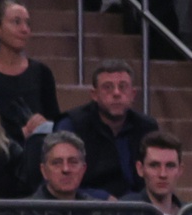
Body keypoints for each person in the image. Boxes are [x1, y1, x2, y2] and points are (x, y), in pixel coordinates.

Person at [57, 61, 158, 198]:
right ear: (94, 95)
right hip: (85, 205)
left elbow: (157, 174)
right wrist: (101, 198)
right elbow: (58, 178)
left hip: (138, 207)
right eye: (108, 87)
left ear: (133, 94)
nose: (116, 93)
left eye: (123, 87)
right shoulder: (72, 125)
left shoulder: (147, 127)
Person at [0, 0, 59, 141]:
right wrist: (19, 134)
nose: (24, 29)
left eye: (27, 23)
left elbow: (57, 123)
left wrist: (44, 124)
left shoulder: (42, 72)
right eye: (16, 22)